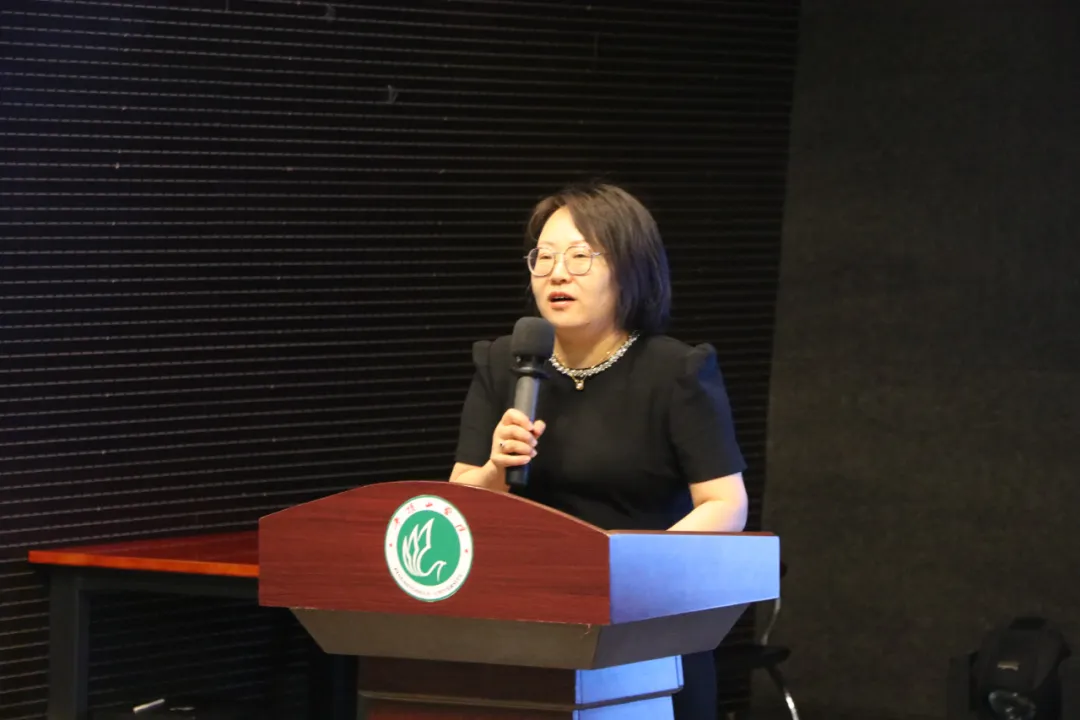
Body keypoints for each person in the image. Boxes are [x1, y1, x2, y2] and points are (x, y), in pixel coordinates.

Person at [449, 181, 749, 720]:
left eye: (580, 257)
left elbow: (726, 503)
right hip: (525, 627)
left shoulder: (676, 372)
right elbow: (457, 505)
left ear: (629, 268)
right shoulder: (504, 364)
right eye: (543, 257)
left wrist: (629, 572)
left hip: (644, 625)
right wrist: (495, 469)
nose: (557, 273)